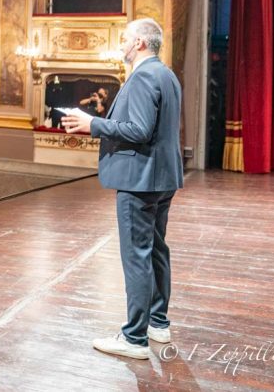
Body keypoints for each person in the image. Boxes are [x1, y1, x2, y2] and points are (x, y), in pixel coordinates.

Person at [61, 18, 183, 360]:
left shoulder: (143, 76)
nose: (121, 44)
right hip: (162, 176)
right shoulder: (166, 75)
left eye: (125, 38)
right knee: (156, 250)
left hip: (139, 178)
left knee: (137, 255)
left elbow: (140, 130)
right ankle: (158, 323)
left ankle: (134, 338)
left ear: (140, 43)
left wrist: (93, 124)